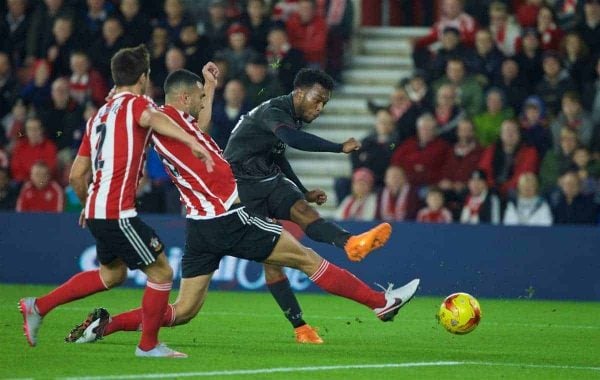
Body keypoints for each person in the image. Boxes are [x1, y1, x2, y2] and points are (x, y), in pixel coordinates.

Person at [65, 68, 420, 346]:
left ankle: (106, 326)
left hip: (201, 225)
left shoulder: (171, 125)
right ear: (183, 97)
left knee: (184, 310)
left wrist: (211, 86)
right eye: (199, 97)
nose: (203, 102)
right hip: (227, 214)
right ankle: (379, 303)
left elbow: (196, 126)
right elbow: (161, 122)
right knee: (307, 259)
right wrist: (126, 93)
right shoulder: (163, 119)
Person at [18, 45, 213, 358]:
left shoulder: (98, 116)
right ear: (143, 78)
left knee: (112, 274)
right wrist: (191, 140)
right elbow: (153, 118)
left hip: (98, 208)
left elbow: (77, 175)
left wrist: (87, 205)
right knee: (162, 273)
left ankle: (38, 306)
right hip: (117, 211)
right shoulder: (137, 104)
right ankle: (148, 346)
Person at [223, 68, 393, 339]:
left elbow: (278, 155)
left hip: (263, 179)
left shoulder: (289, 115)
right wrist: (338, 147)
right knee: (273, 262)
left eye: (325, 102)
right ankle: (301, 327)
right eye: (317, 100)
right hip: (238, 190)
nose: (320, 107)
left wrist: (302, 191)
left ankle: (351, 243)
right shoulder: (274, 112)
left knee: (301, 209)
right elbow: (291, 140)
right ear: (299, 93)